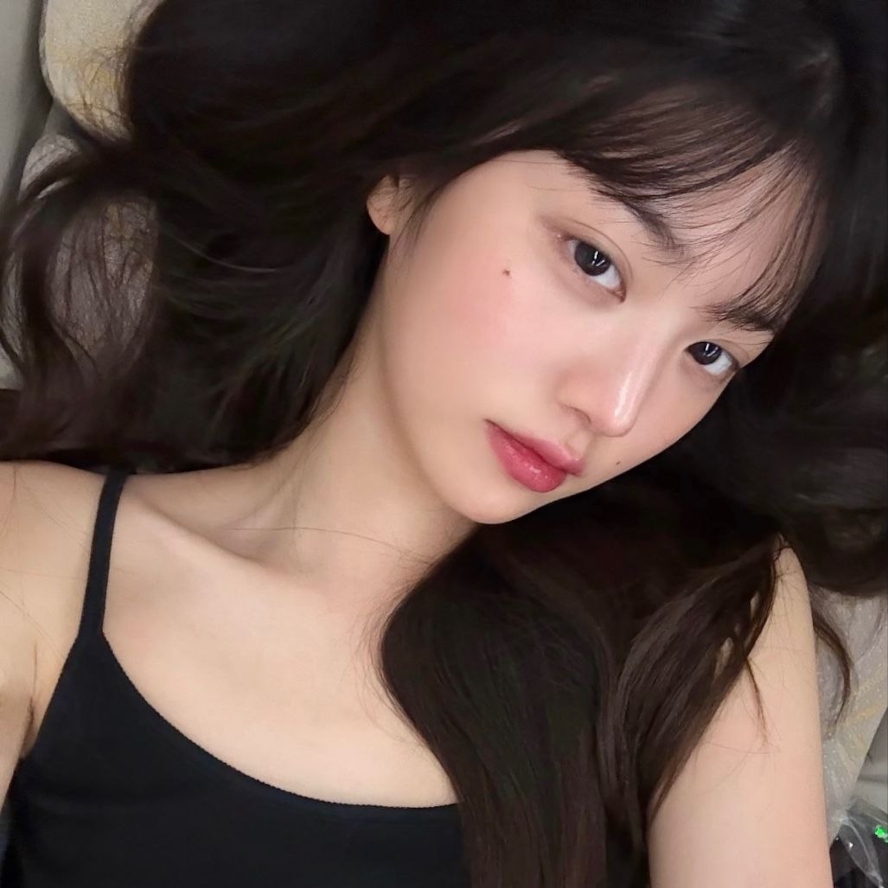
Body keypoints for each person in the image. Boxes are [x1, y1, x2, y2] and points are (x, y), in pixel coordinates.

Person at [0, 0, 884, 885]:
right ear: (407, 169)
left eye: (709, 353)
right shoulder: (42, 549)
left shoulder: (704, 612)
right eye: (594, 260)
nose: (617, 409)